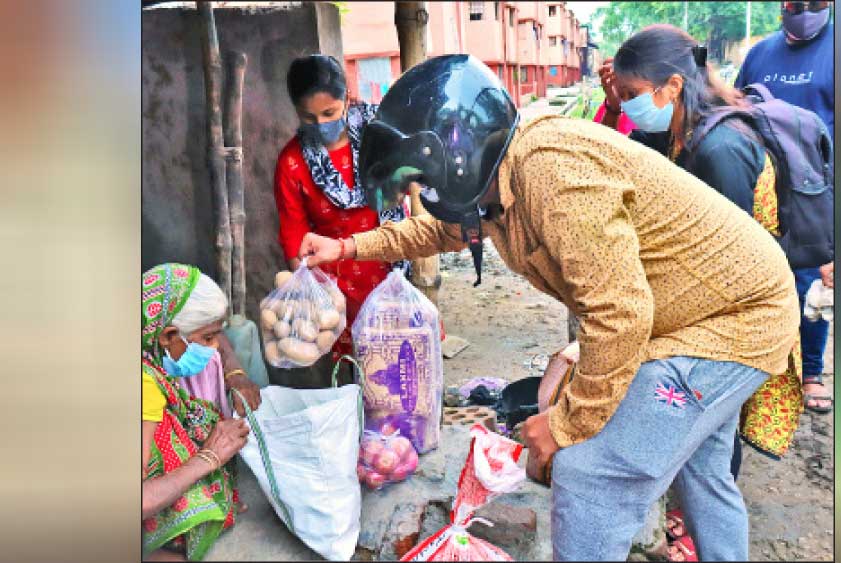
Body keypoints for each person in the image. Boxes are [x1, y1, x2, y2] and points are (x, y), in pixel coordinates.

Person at [298, 54, 799, 561]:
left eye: (424, 182)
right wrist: (346, 248)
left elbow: (620, 316)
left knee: (590, 472)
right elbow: (443, 229)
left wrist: (564, 426)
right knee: (703, 472)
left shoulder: (554, 179)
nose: (424, 194)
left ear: (453, 157)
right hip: (699, 311)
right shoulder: (500, 173)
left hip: (733, 321)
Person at [600, 25, 809, 481]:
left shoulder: (720, 148)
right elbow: (617, 160)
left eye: (634, 92)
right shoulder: (678, 131)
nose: (632, 103)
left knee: (715, 415)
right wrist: (615, 107)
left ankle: (703, 505)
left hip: (740, 305)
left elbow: (727, 261)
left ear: (673, 85)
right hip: (715, 295)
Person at [273, 54, 410, 385]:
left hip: (389, 264)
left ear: (347, 100)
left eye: (329, 113)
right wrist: (314, 300)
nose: (320, 124)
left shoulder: (381, 138)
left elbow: (407, 187)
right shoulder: (292, 163)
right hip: (337, 286)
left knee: (405, 362)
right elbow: (294, 237)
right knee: (360, 374)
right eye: (309, 117)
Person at [736, 1, 834, 414]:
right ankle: (763, 366)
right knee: (759, 277)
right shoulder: (761, 54)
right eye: (795, 4)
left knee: (813, 278)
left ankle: (810, 372)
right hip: (764, 186)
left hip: (818, 188)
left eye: (816, 4)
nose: (805, 11)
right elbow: (737, 106)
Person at [142, 264, 250, 561]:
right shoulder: (144, 388)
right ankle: (169, 539)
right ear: (168, 336)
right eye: (207, 339)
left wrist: (235, 371)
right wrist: (209, 458)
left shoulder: (146, 347)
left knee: (198, 419)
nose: (216, 349)